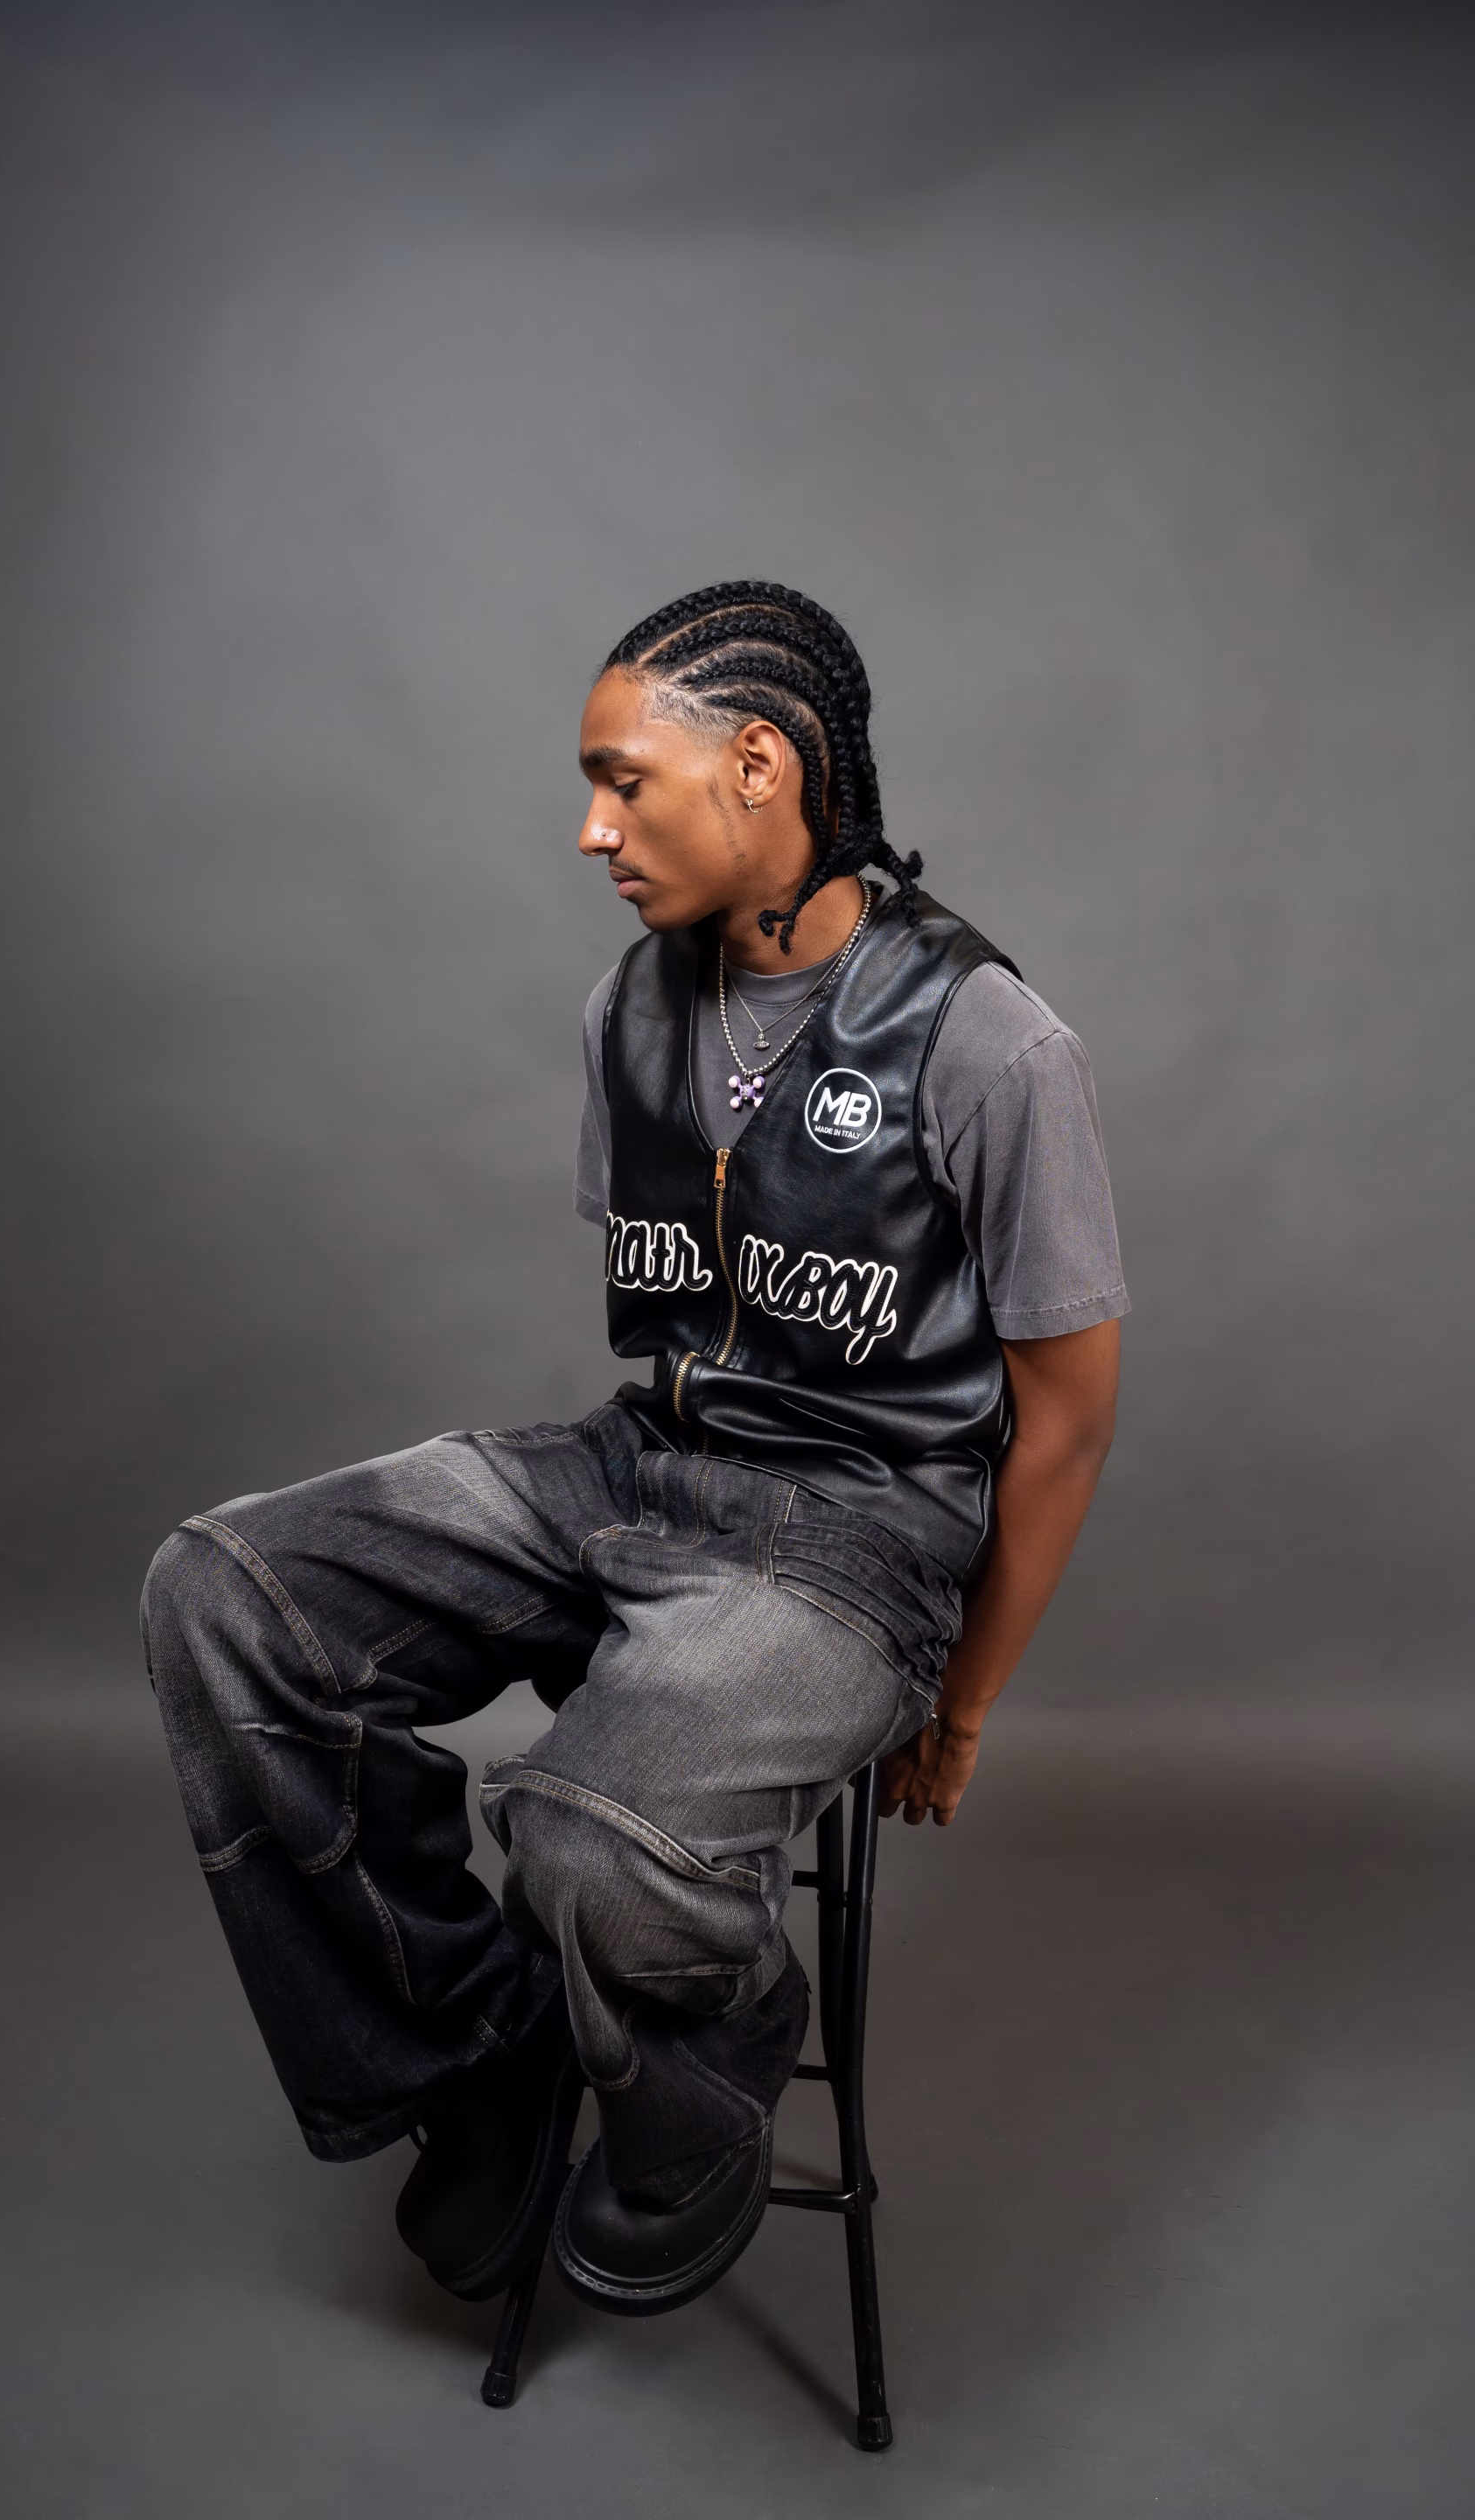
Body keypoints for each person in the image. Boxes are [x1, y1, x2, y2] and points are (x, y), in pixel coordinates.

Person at [140, 582, 1127, 2321]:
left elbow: (1069, 1416)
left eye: (623, 782)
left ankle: (710, 2069)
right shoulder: (632, 1006)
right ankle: (475, 2052)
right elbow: (683, 1323)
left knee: (587, 1838)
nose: (592, 831)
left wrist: (963, 1701)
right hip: (637, 1471)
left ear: (757, 766)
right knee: (223, 1595)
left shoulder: (986, 1039)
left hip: (857, 1539)